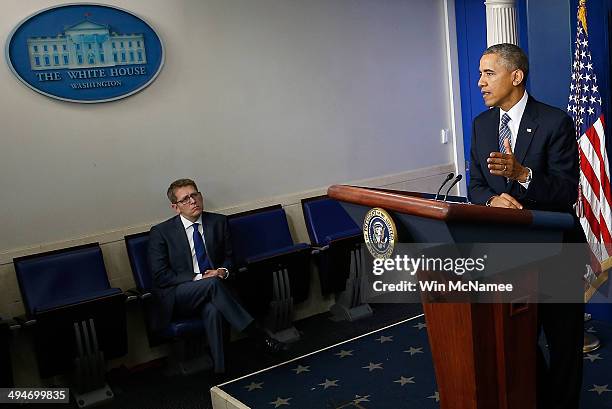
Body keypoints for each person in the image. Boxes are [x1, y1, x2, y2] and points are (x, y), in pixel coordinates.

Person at [469, 43, 585, 409]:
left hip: (556, 249)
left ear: (516, 76)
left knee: (564, 341)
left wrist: (523, 174)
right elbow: (475, 184)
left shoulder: (555, 122)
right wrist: (491, 199)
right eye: (480, 74)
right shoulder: (482, 124)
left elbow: (566, 190)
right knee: (518, 339)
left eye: (489, 74)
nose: (480, 83)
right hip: (508, 251)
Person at [148, 178, 285, 374]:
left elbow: (230, 259)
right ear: (175, 207)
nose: (193, 201)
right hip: (178, 295)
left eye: (195, 195)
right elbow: (161, 276)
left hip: (214, 290)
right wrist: (198, 278)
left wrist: (223, 271)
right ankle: (259, 337)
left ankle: (221, 372)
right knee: (212, 284)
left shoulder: (218, 222)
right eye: (185, 199)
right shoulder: (161, 233)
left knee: (212, 309)